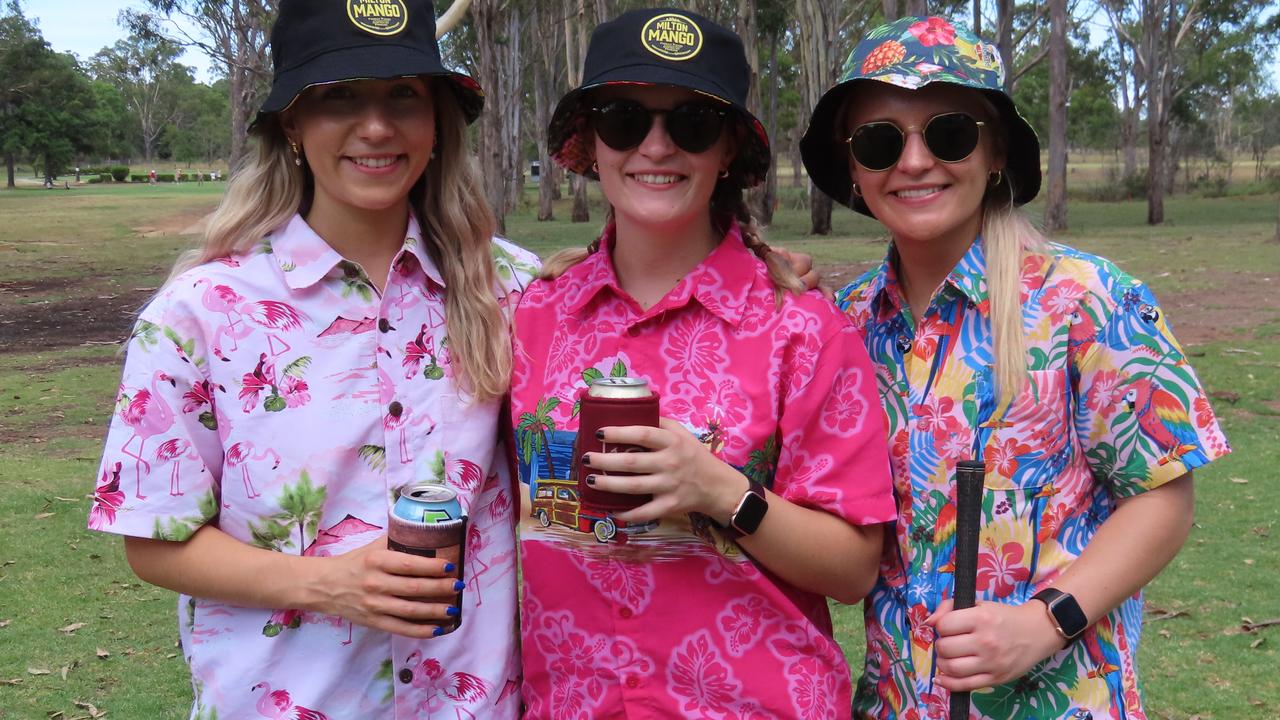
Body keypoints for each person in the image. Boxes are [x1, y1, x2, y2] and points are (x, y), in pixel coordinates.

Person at [87, 1, 536, 716]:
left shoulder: (510, 289)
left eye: (403, 95)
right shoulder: (197, 314)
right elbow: (153, 540)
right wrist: (329, 584)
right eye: (339, 97)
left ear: (435, 122)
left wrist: (767, 270)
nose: (378, 126)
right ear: (292, 124)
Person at [801, 16, 1231, 719]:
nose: (914, 163)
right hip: (896, 703)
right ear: (853, 168)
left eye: (949, 133)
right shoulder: (843, 324)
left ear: (995, 151)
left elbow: (1163, 496)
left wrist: (1045, 621)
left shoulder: (1087, 300)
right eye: (880, 141)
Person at [510, 9, 896, 718]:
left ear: (727, 152)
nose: (655, 147)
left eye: (691, 124)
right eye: (625, 120)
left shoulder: (801, 327)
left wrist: (722, 493)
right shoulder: (529, 317)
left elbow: (852, 567)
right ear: (589, 143)